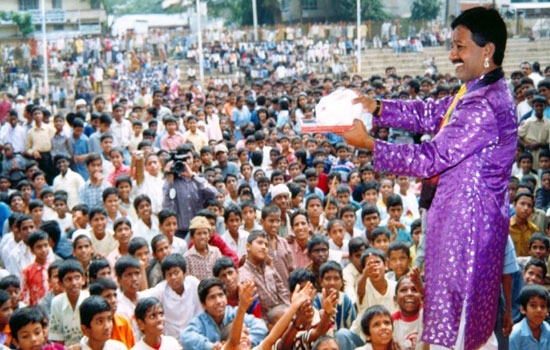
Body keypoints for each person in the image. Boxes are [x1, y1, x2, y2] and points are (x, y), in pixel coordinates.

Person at [337, 7, 516, 348]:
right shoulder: (476, 91)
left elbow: (431, 157)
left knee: (458, 331)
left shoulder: (484, 105)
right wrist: (377, 106)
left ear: (487, 50)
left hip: (465, 237)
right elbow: (433, 112)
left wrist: (370, 144)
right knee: (467, 331)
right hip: (461, 226)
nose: (452, 55)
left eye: (459, 47)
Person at [179, 277, 268, 349]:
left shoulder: (234, 313)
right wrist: (211, 347)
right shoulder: (200, 321)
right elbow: (185, 337)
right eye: (212, 297)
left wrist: (245, 341)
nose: (218, 301)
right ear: (203, 304)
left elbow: (261, 327)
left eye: (221, 295)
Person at [162, 145, 217, 238]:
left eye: (188, 158)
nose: (186, 162)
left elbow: (213, 193)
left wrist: (192, 176)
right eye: (182, 159)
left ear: (193, 159)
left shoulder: (198, 180)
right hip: (179, 232)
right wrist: (170, 178)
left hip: (198, 231)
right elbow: (167, 207)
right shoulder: (172, 181)